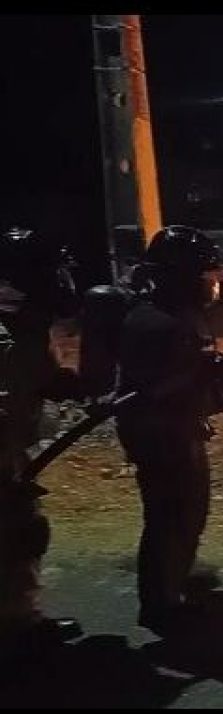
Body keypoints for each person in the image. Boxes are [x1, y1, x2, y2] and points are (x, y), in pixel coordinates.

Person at [116, 226, 223, 635]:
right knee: (170, 517)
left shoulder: (179, 316)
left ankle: (172, 590)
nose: (214, 285)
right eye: (206, 276)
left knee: (187, 514)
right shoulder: (156, 323)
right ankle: (161, 607)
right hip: (161, 436)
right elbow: (148, 391)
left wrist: (217, 382)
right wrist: (204, 379)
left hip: (180, 430)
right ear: (182, 276)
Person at [0, 226, 83, 658]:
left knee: (23, 534)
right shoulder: (8, 334)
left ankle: (21, 621)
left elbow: (42, 379)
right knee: (15, 537)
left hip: (12, 455)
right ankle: (16, 634)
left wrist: (72, 384)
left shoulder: (26, 325)